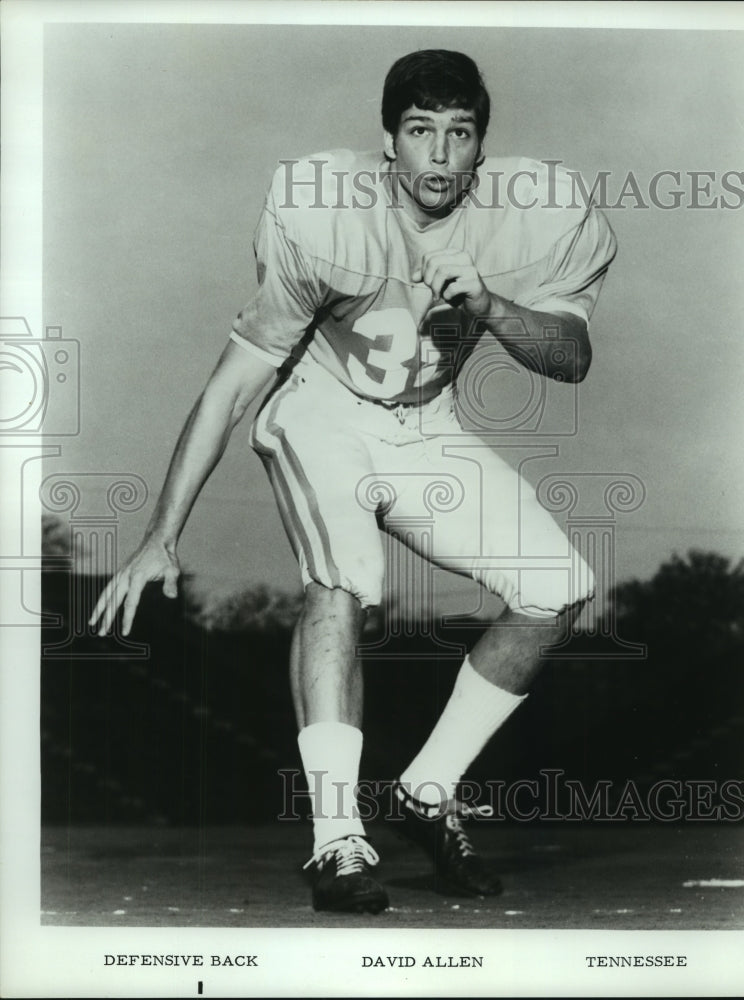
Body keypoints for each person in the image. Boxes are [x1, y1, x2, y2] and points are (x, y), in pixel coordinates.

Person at [90, 49, 617, 915]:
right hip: (322, 409)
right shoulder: (320, 210)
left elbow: (569, 358)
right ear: (388, 142)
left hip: (425, 423)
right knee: (343, 583)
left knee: (557, 589)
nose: (440, 155)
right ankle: (335, 839)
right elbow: (235, 381)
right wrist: (161, 534)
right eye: (420, 133)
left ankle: (427, 792)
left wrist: (489, 305)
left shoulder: (541, 214)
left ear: (483, 145)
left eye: (459, 133)